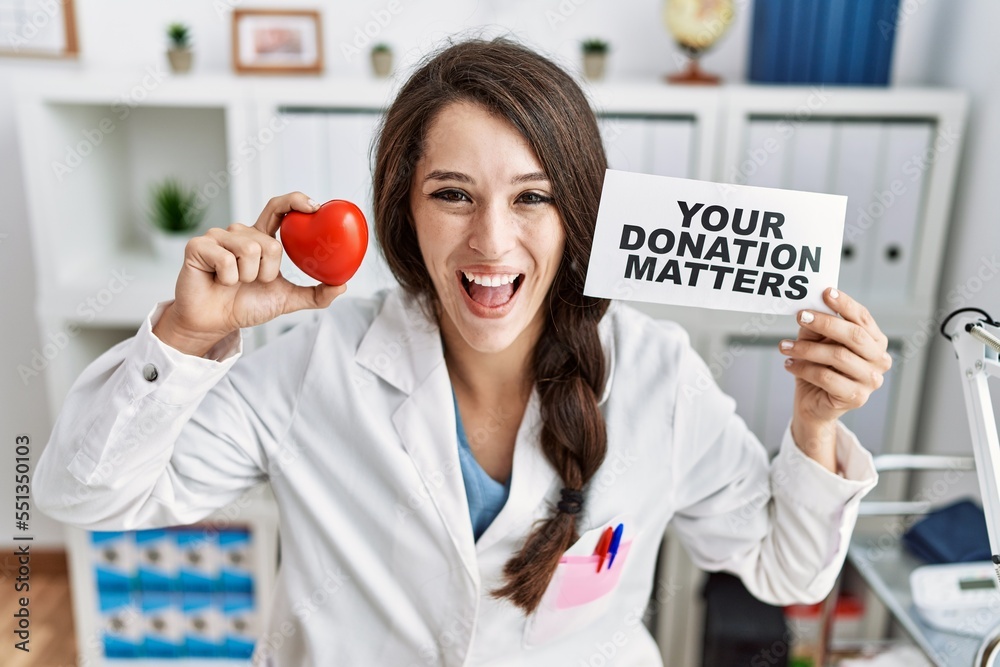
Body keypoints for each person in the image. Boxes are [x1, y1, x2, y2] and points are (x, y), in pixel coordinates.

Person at [35, 38, 889, 665]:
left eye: (532, 198)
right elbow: (84, 493)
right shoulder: (316, 364)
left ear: (578, 215)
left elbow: (786, 568)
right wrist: (187, 338)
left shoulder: (660, 375)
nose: (491, 241)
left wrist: (815, 420)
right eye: (453, 194)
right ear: (404, 209)